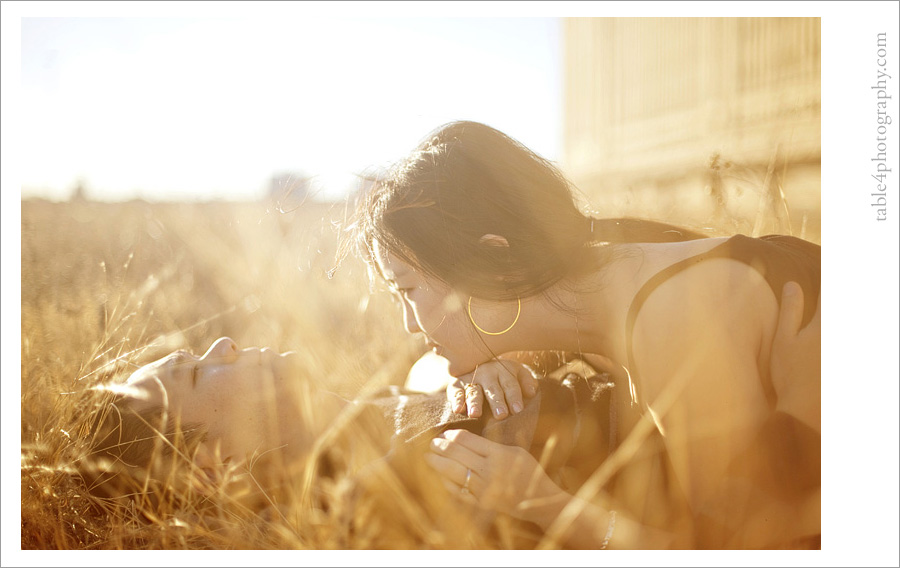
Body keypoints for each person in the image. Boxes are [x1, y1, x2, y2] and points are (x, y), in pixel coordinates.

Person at [341, 120, 821, 548]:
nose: (407, 322)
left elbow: (736, 549)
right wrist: (489, 369)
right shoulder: (613, 280)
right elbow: (424, 372)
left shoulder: (671, 319)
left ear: (493, 262)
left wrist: (544, 505)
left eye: (406, 289)